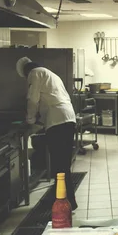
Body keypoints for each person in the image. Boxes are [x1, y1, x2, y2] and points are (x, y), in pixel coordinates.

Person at [16, 57, 78, 210]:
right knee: (63, 164)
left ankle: (64, 201)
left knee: (59, 165)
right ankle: (64, 199)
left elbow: (32, 100)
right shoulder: (49, 74)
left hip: (57, 122)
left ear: (26, 71)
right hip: (68, 118)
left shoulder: (34, 74)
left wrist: (30, 120)